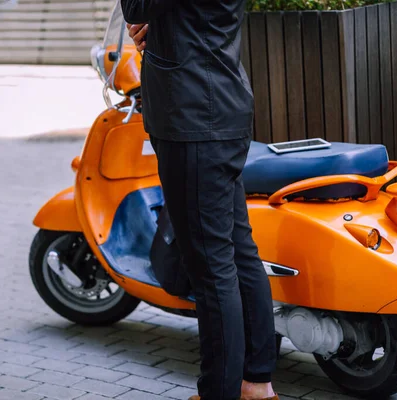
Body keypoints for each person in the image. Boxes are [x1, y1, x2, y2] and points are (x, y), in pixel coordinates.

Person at [120, 1, 279, 399]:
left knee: (211, 267)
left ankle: (219, 392)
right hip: (215, 109)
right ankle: (256, 383)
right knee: (238, 252)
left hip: (193, 118)